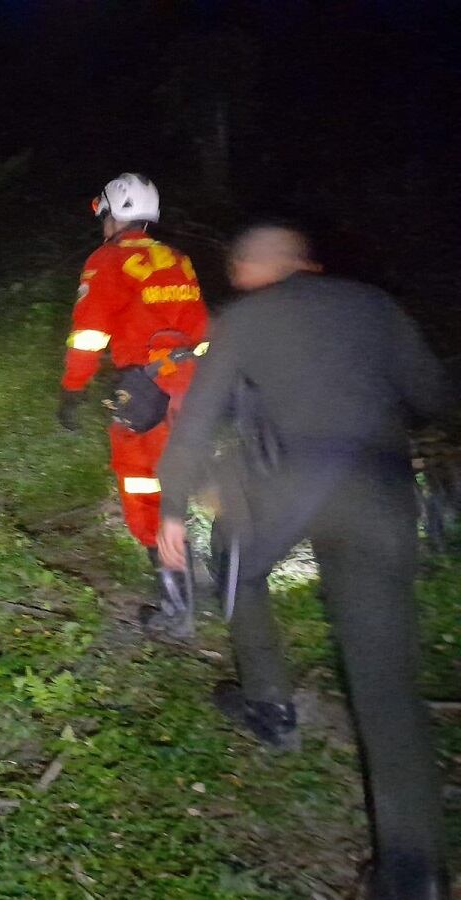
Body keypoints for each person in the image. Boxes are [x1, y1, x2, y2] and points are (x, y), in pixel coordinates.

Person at [156, 226, 451, 900]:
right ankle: (417, 870)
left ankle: (269, 704)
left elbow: (199, 418)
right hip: (381, 493)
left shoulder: (245, 318)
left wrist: (173, 504)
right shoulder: (374, 304)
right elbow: (432, 393)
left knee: (234, 556)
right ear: (307, 264)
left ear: (249, 268)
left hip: (288, 490)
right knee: (385, 679)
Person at [57, 173, 208, 635]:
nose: (102, 224)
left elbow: (89, 334)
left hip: (144, 393)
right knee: (177, 482)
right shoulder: (176, 258)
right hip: (189, 389)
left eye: (104, 215)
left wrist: (72, 389)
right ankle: (201, 577)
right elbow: (200, 328)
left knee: (143, 490)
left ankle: (176, 607)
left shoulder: (108, 261)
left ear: (114, 213)